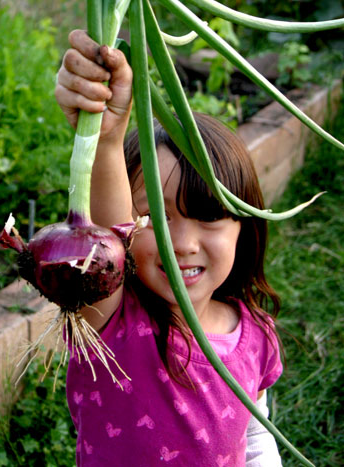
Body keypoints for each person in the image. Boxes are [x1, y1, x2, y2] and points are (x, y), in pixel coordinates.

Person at [55, 29, 284, 467]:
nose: (182, 244)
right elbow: (105, 243)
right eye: (155, 218)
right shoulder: (110, 322)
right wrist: (106, 138)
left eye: (209, 216)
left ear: (245, 226)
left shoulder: (256, 334)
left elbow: (254, 433)